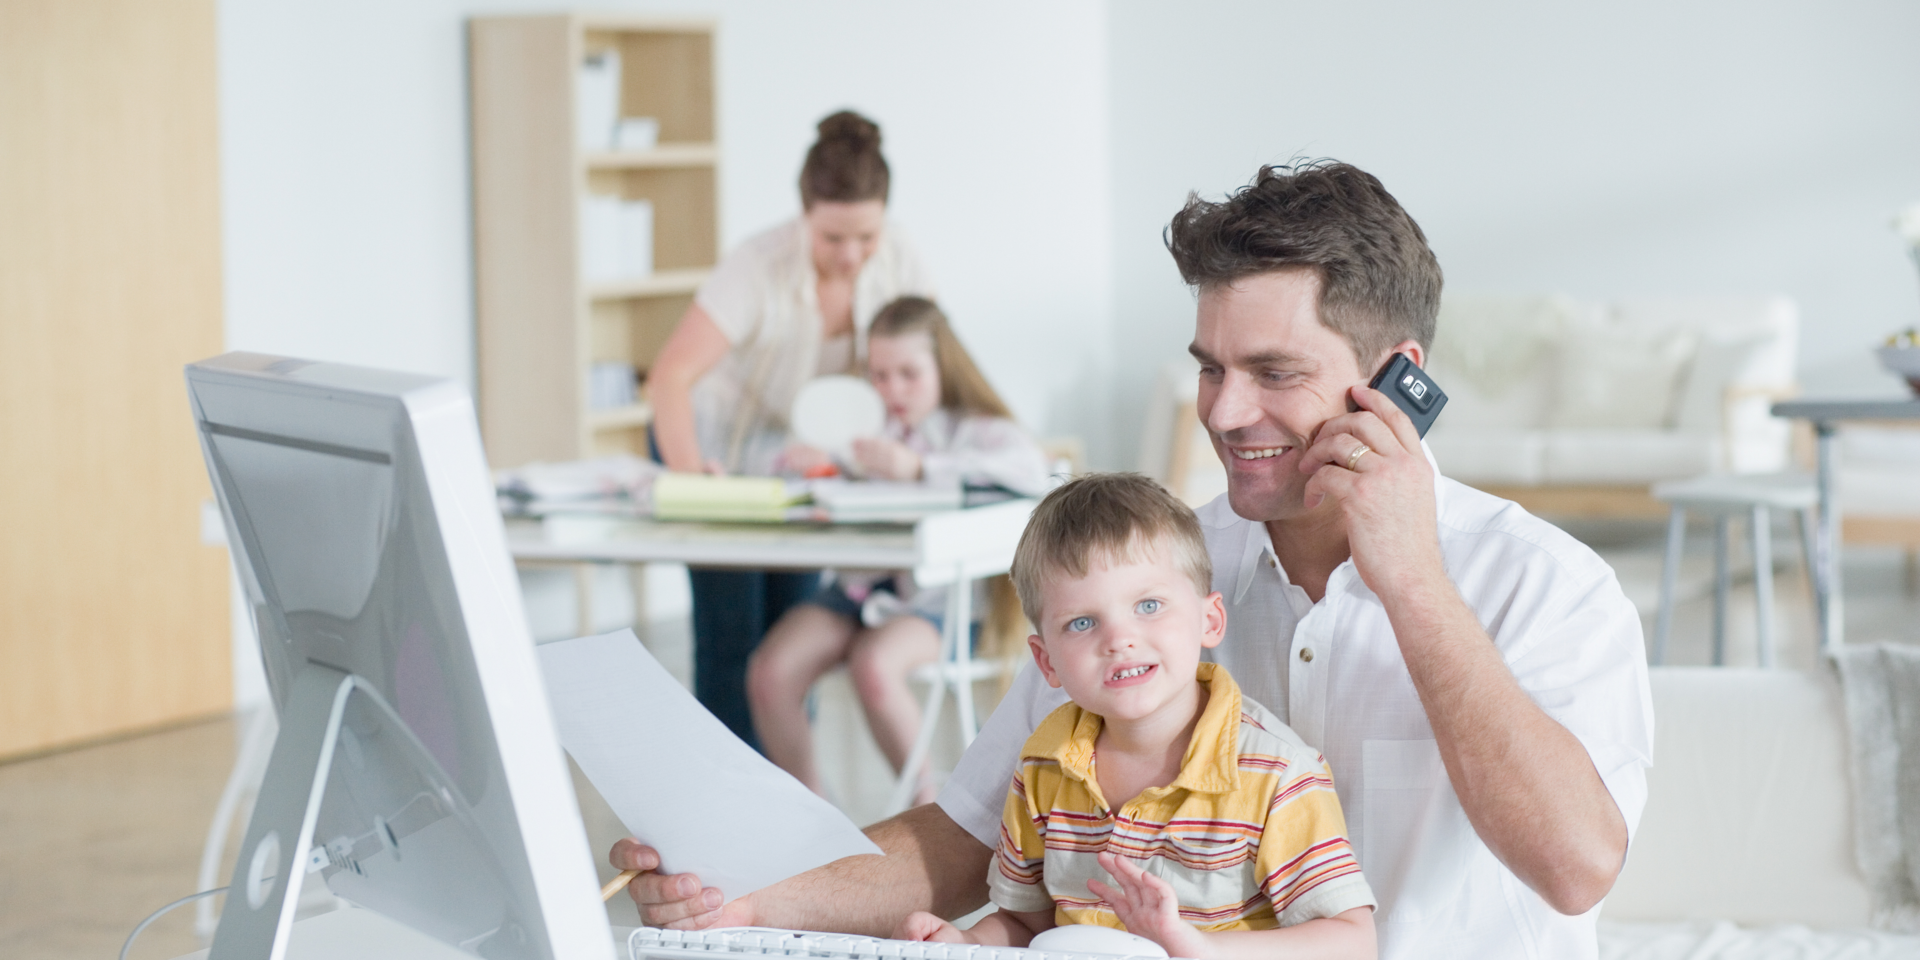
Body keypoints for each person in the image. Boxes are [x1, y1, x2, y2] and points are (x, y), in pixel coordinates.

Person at [611, 161, 1654, 960]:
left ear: (1396, 381)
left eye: (1274, 372)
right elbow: (962, 838)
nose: (1225, 413)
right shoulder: (1157, 582)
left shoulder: (1546, 586)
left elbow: (1574, 869)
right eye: (1210, 370)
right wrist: (747, 899)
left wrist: (1413, 578)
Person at [894, 473, 1376, 960]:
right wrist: (965, 942)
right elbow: (1026, 923)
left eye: (1148, 605)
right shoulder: (1043, 766)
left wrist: (1194, 947)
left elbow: (1351, 943)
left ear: (1209, 620)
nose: (1118, 639)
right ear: (1047, 662)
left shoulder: (1278, 775)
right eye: (1082, 623)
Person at [646, 110, 936, 747]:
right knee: (732, 639)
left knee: (787, 644)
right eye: (833, 238)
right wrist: (697, 481)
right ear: (804, 213)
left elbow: (929, 366)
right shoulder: (756, 266)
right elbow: (668, 379)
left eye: (865, 235)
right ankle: (726, 815)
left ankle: (790, 810)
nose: (852, 255)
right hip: (710, 448)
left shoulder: (899, 255)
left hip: (798, 461)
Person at [747, 296, 1049, 805]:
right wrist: (816, 466)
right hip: (856, 591)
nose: (893, 391)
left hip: (936, 604)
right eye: (880, 376)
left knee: (875, 665)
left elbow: (1030, 472)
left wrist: (920, 469)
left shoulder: (979, 432)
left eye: (908, 374)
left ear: (942, 367)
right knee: (769, 673)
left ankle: (929, 809)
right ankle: (812, 813)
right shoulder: (864, 430)